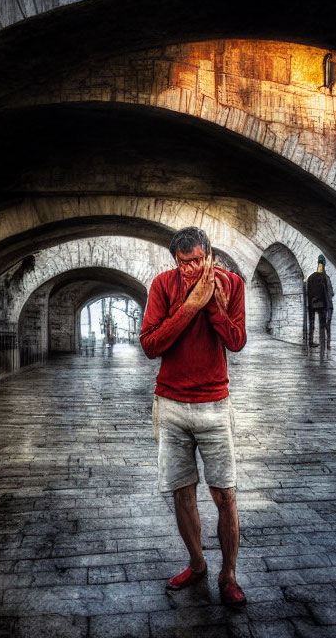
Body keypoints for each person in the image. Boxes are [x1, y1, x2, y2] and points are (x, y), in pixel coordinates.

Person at [139, 227, 248, 606]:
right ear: (175, 261)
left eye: (199, 260)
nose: (192, 268)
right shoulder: (162, 286)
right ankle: (198, 563)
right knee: (182, 491)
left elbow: (236, 341)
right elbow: (150, 344)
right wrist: (187, 308)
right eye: (185, 263)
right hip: (170, 405)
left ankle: (228, 575)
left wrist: (212, 306)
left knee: (225, 493)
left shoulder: (231, 284)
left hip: (215, 403)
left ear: (209, 256)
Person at [306, 254, 334, 349]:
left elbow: (308, 291)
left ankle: (311, 341)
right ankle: (327, 344)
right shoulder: (326, 278)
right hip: (323, 304)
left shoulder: (311, 277)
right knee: (324, 325)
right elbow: (330, 292)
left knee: (312, 323)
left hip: (312, 303)